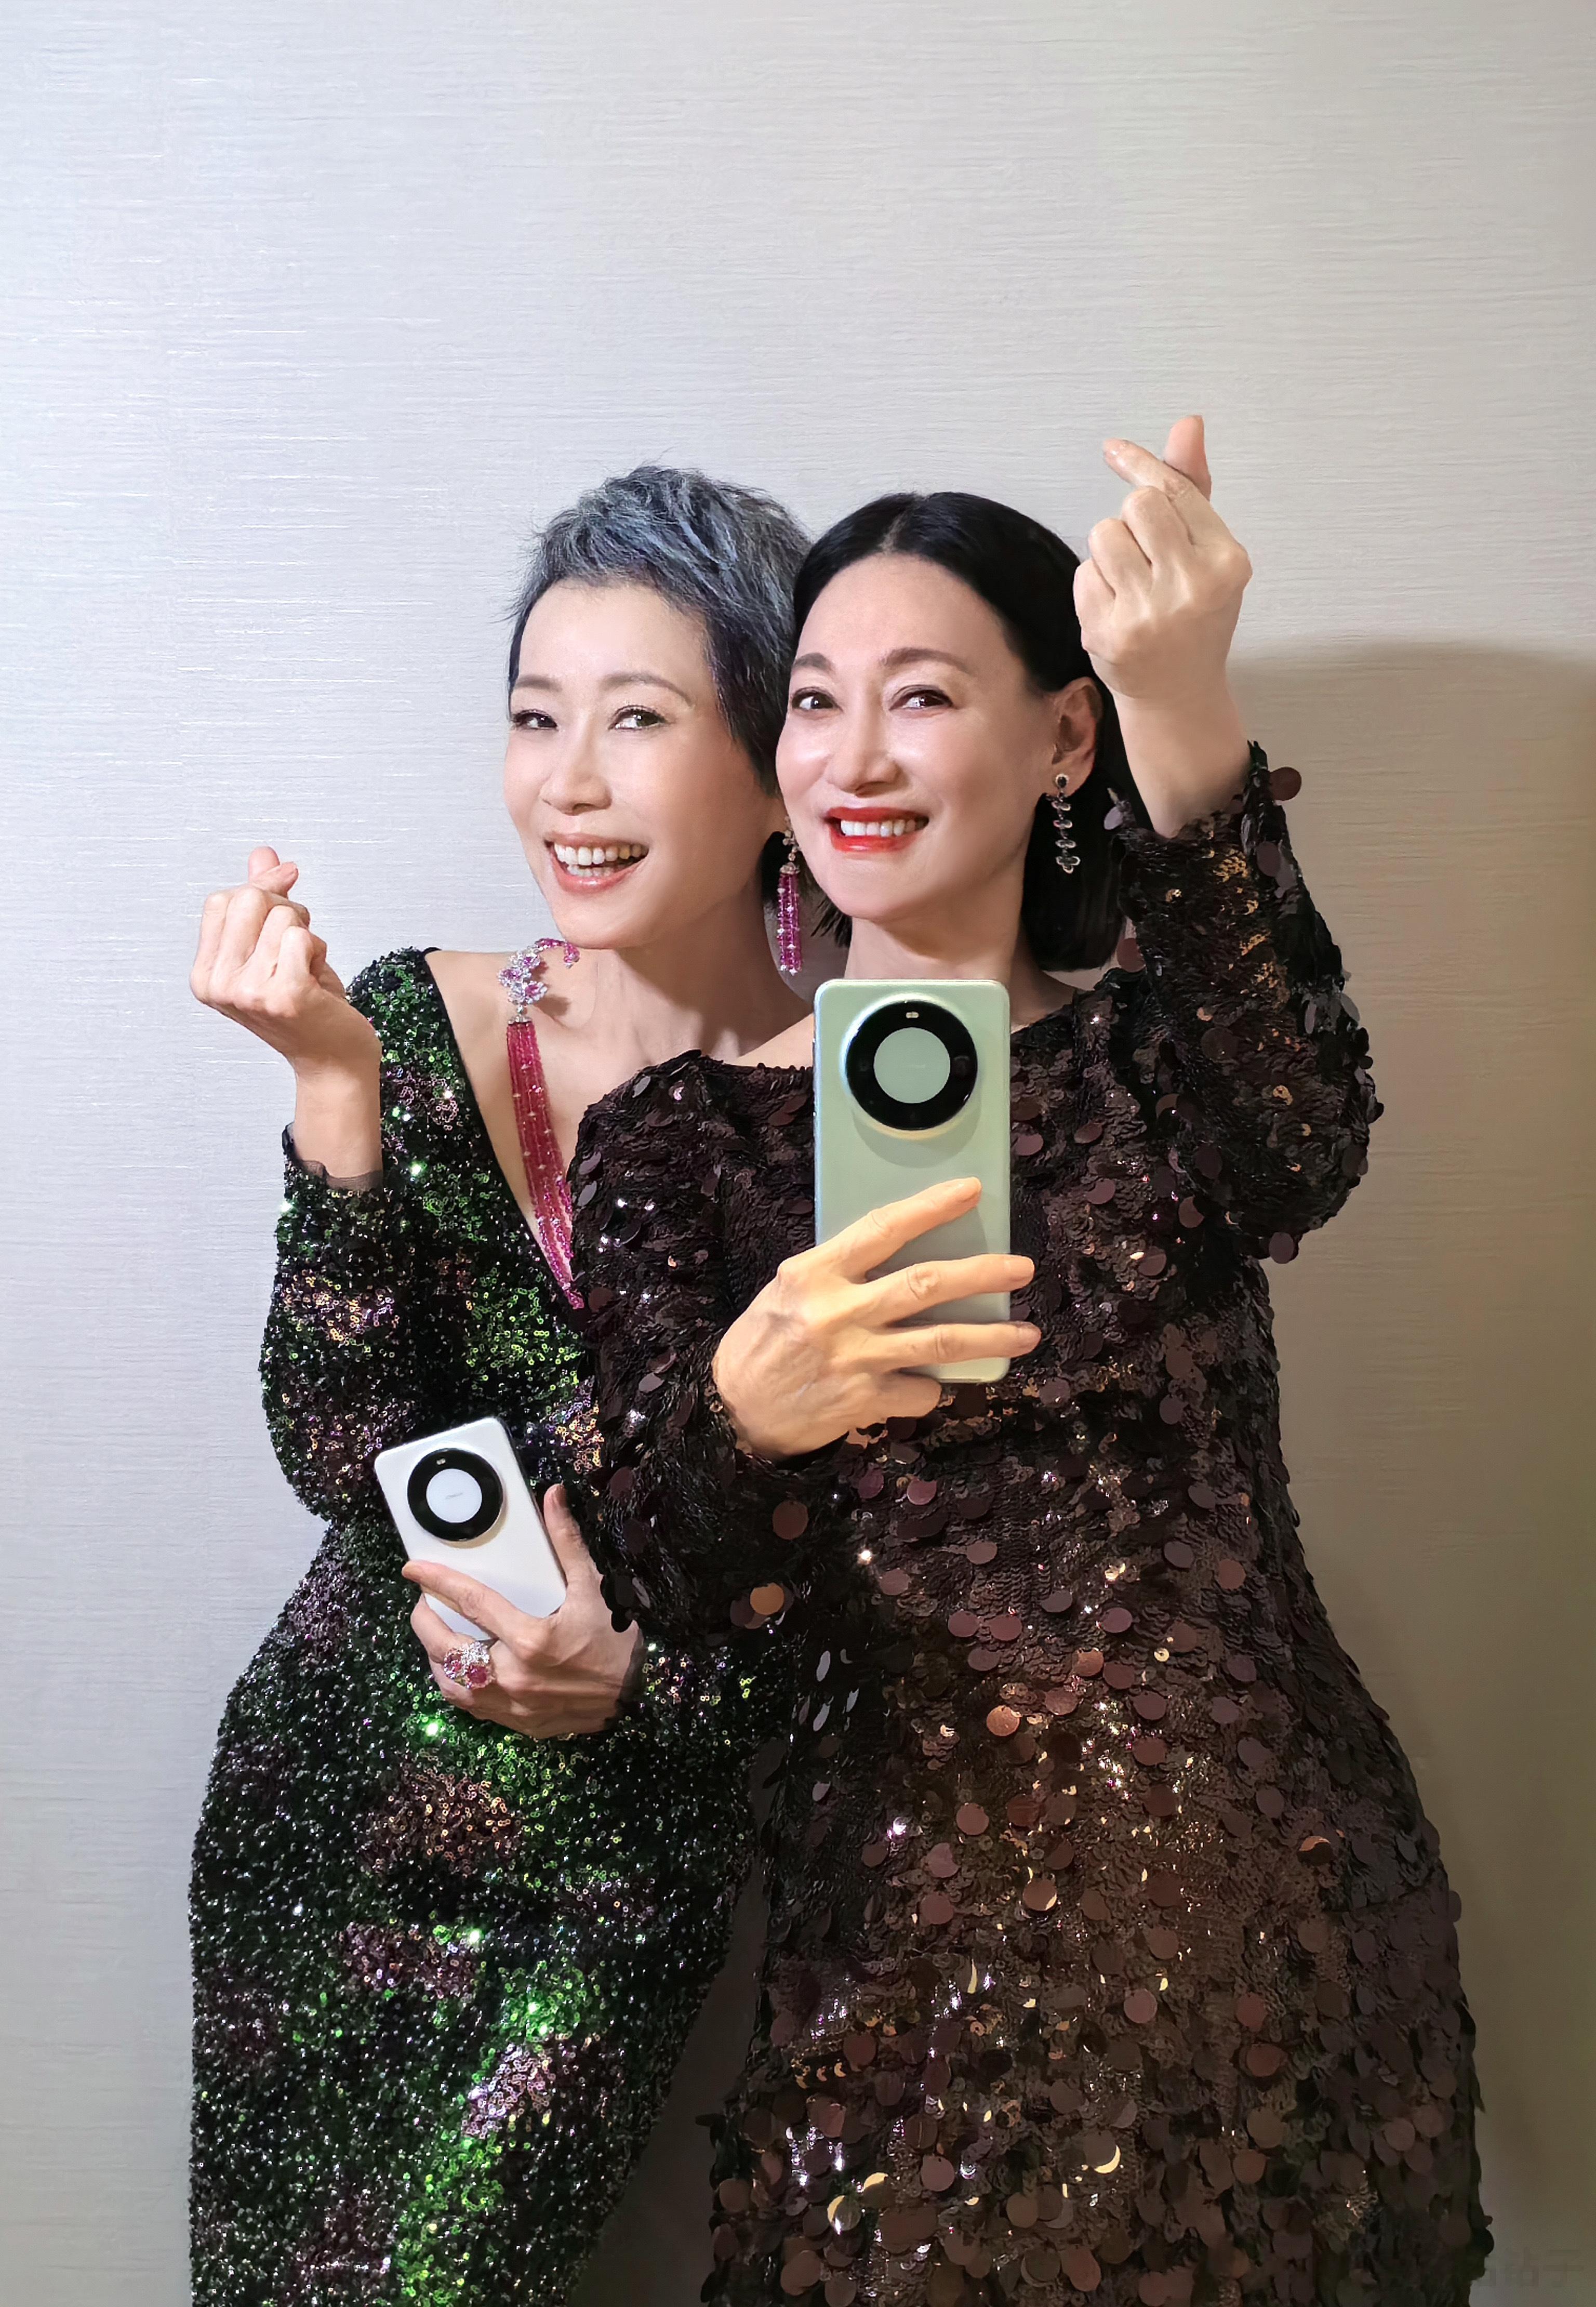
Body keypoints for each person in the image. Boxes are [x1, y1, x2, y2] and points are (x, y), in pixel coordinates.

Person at [571, 426, 1491, 2304]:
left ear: (1065, 738)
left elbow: (1305, 1143)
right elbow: (671, 1583)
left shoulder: (1168, 1056)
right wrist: (745, 1416)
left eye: (921, 696)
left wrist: (1186, 706)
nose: (854, 756)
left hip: (1274, 1926)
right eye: (815, 700)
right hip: (905, 1979)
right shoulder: (676, 1143)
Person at [188, 466, 809, 2304]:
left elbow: (887, 1552)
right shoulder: (415, 1016)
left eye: (639, 720)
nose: (568, 783)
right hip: (333, 1799)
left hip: (613, 1849)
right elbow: (341, 1450)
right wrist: (333, 1089)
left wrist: (644, 1684)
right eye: (537, 719)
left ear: (780, 762)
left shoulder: (874, 1095)